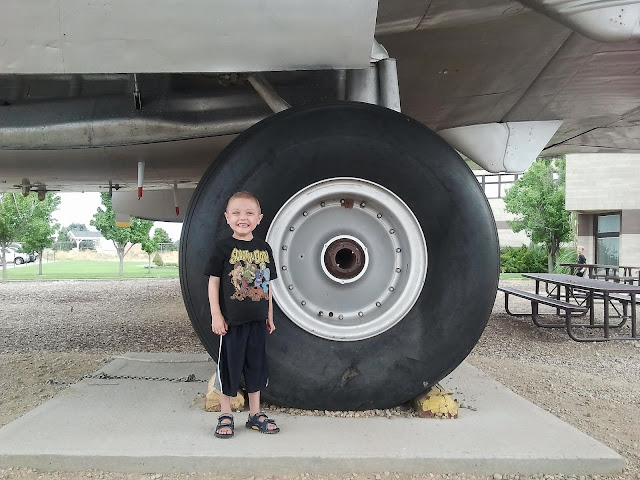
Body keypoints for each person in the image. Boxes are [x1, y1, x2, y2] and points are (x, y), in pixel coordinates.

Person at [204, 191, 280, 439]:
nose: (243, 218)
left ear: (259, 218)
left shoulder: (264, 249)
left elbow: (266, 285)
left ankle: (255, 414)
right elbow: (214, 283)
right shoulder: (223, 248)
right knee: (230, 367)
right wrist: (216, 315)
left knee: (256, 366)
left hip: (257, 321)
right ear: (227, 217)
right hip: (232, 323)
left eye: (249, 213)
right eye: (236, 213)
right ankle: (225, 413)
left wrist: (269, 315)